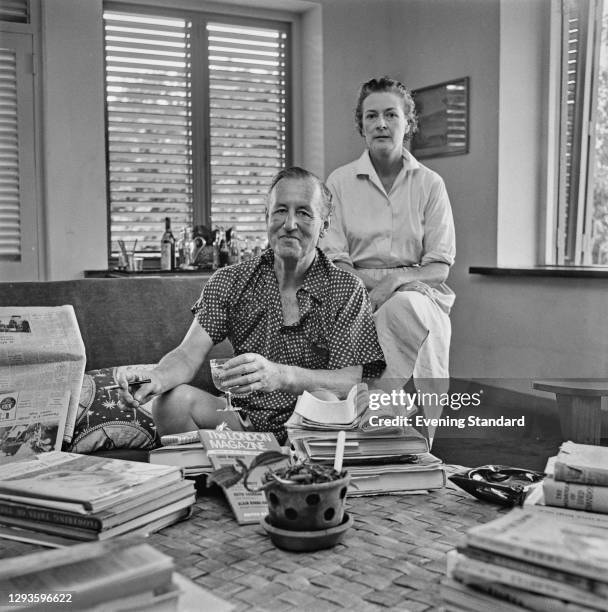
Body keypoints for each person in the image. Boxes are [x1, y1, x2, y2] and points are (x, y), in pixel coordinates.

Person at [117, 167, 385, 444]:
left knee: (325, 398)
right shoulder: (230, 281)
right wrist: (155, 378)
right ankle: (221, 476)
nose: (290, 223)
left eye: (304, 212)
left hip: (310, 426)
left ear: (324, 225)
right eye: (280, 210)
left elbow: (349, 382)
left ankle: (296, 480)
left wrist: (280, 376)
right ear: (266, 216)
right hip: (241, 419)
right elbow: (187, 356)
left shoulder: (346, 288)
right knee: (170, 402)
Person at [320, 77, 456, 443]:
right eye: (372, 116)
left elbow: (439, 266)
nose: (381, 123)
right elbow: (336, 260)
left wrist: (394, 282)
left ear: (407, 123)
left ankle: (407, 435)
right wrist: (365, 293)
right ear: (362, 126)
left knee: (402, 308)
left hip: (418, 290)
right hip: (351, 290)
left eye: (391, 115)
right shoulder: (339, 182)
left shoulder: (430, 184)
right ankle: (364, 428)